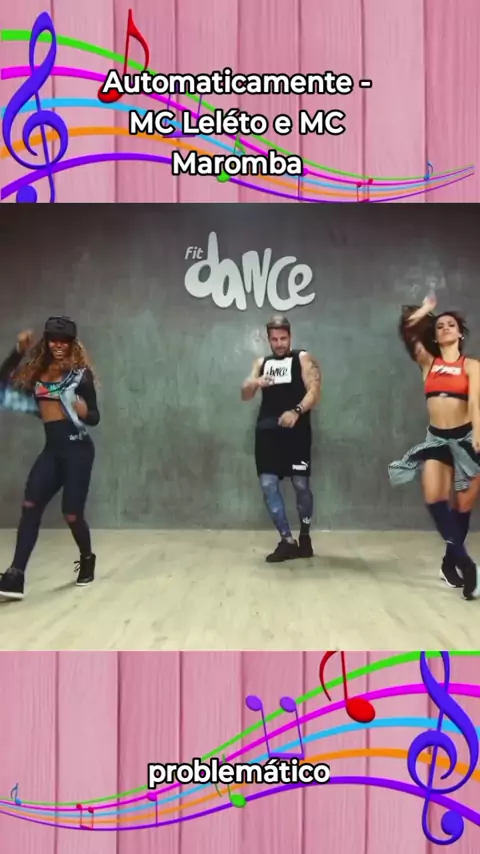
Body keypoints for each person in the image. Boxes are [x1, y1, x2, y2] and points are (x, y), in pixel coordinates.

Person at [0, 316, 100, 600]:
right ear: (46, 342)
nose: (58, 346)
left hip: (79, 451)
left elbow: (95, 416)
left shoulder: (81, 376)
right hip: (53, 451)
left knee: (72, 513)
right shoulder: (37, 374)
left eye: (64, 342)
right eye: (53, 340)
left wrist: (85, 412)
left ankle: (87, 557)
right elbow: (2, 383)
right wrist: (17, 352)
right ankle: (15, 575)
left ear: (72, 344)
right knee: (30, 505)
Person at [389, 294, 480, 600]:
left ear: (460, 333)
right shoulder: (429, 363)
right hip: (438, 439)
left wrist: (479, 433)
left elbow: (476, 403)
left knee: (462, 507)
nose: (445, 328)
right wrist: (427, 310)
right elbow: (407, 329)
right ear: (435, 335)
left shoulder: (471, 365)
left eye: (451, 324)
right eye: (439, 326)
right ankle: (465, 563)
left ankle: (448, 563)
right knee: (434, 499)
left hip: (466, 439)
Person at [241, 315, 321, 562]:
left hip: (297, 431)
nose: (279, 343)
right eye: (274, 339)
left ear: (290, 336)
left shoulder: (302, 358)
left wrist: (296, 411)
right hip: (267, 432)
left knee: (301, 486)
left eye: (283, 338)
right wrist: (255, 382)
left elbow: (315, 390)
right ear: (268, 340)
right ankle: (287, 541)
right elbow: (245, 394)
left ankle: (305, 537)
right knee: (267, 485)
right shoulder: (261, 363)